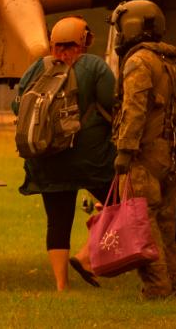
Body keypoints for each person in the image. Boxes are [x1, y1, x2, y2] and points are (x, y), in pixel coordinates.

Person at [13, 16, 116, 291]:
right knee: (120, 203)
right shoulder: (95, 66)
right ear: (83, 41)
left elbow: (17, 106)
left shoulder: (37, 68)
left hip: (46, 159)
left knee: (57, 221)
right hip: (91, 160)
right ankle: (86, 256)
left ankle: (61, 285)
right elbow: (112, 104)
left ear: (53, 43)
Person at [108, 0, 176, 299]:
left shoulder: (139, 63)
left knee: (142, 227)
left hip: (144, 157)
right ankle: (175, 287)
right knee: (166, 229)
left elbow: (134, 108)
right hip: (173, 158)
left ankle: (157, 289)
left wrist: (124, 149)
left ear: (132, 27)